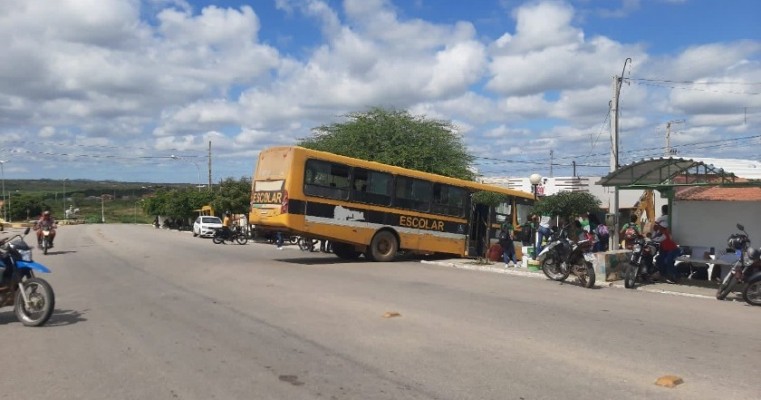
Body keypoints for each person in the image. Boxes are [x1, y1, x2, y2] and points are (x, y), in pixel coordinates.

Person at [651, 219, 680, 284]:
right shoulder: (662, 233)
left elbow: (655, 239)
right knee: (658, 259)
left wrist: (654, 231)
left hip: (674, 250)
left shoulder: (665, 234)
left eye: (660, 227)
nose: (659, 228)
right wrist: (655, 232)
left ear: (663, 228)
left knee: (668, 261)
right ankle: (663, 274)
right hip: (667, 251)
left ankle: (674, 276)